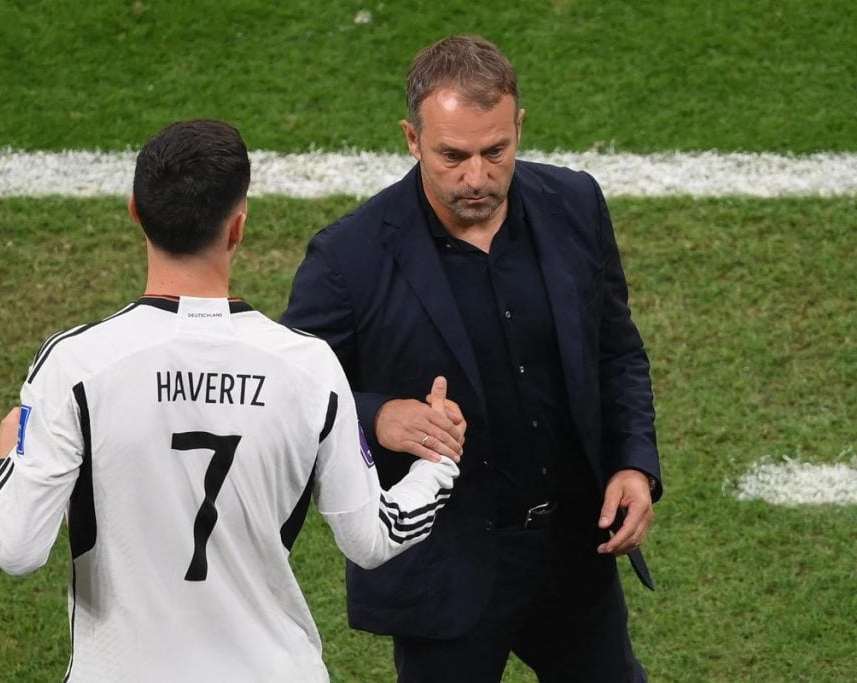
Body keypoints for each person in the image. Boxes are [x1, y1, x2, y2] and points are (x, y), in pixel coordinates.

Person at [0, 119, 460, 682]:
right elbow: (374, 538)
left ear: (135, 211)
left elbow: (17, 548)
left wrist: (7, 456)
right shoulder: (306, 367)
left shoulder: (76, 364)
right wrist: (439, 462)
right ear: (238, 227)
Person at [282, 35, 662, 682]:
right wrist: (378, 416)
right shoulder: (349, 257)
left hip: (575, 551)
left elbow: (615, 350)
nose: (477, 177)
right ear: (411, 138)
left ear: (518, 126)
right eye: (452, 156)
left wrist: (633, 462)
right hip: (444, 568)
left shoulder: (574, 204)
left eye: (496, 152)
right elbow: (288, 394)